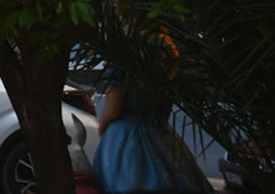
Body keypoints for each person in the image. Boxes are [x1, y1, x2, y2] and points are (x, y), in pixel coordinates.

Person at [91, 65, 212, 194]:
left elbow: (113, 110)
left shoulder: (120, 67)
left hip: (126, 135)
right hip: (161, 134)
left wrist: (103, 126)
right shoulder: (167, 65)